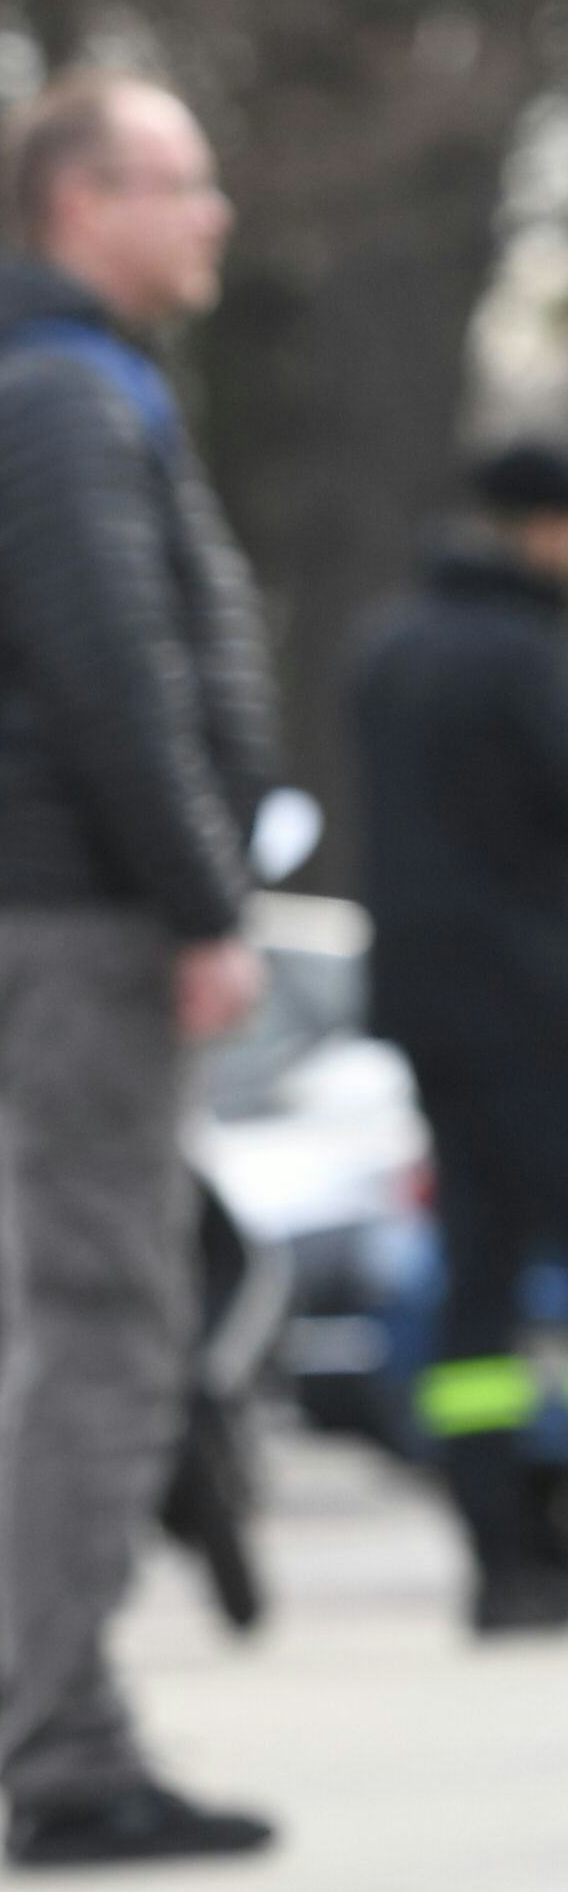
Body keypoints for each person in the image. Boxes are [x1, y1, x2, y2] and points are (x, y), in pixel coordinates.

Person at [0, 75, 281, 1868]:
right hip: (76, 913)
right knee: (93, 1317)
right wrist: (203, 899)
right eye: (177, 180)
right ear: (80, 200)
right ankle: (63, 1748)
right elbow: (109, 672)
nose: (211, 213)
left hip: (58, 902)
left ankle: (63, 1720)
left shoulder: (51, 380)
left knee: (86, 1306)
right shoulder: (57, 398)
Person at [346, 438, 568, 1633]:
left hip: (431, 1022)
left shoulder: (390, 650)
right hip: (537, 1010)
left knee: (477, 1280)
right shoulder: (525, 657)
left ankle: (500, 1552)